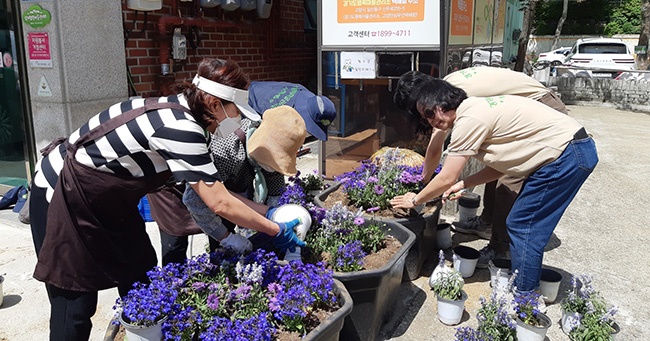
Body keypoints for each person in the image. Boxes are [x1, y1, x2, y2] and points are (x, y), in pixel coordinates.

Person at [28, 57, 305, 340]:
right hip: (62, 195)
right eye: (234, 112)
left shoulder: (185, 116)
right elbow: (218, 203)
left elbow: (218, 193)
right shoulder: (180, 127)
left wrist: (268, 213)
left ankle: (139, 333)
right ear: (214, 104)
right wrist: (275, 229)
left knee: (139, 274)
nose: (235, 121)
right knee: (75, 301)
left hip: (108, 203)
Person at [390, 78, 597, 294]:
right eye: (425, 119)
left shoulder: (469, 119)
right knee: (521, 224)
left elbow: (446, 177)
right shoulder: (474, 109)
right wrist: (465, 183)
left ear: (443, 103)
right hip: (571, 150)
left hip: (567, 155)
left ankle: (525, 297)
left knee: (524, 227)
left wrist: (415, 199)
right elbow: (503, 166)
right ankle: (525, 288)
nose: (430, 121)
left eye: (430, 113)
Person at [151, 79, 336, 264]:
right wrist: (226, 237)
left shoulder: (268, 149)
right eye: (275, 163)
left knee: (230, 229)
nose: (274, 169)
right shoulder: (226, 150)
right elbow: (201, 199)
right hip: (174, 184)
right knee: (176, 243)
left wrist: (276, 218)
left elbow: (274, 189)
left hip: (221, 191)